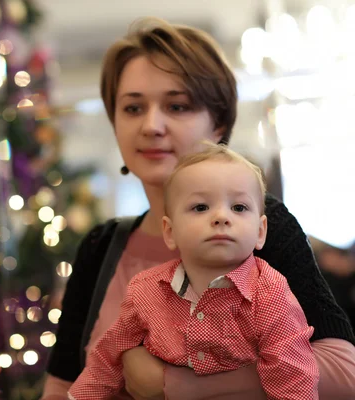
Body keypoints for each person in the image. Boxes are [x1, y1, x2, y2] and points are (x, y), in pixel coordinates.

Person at [42, 17, 355, 400]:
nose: (152, 125)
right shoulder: (101, 246)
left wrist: (177, 385)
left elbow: (345, 372)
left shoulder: (250, 229)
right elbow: (61, 388)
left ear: (218, 125)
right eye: (133, 108)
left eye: (177, 106)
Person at [68, 144, 318, 400]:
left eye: (239, 208)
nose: (221, 217)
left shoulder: (270, 295)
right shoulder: (145, 291)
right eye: (200, 207)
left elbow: (294, 379)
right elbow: (109, 356)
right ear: (170, 232)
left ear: (260, 231)